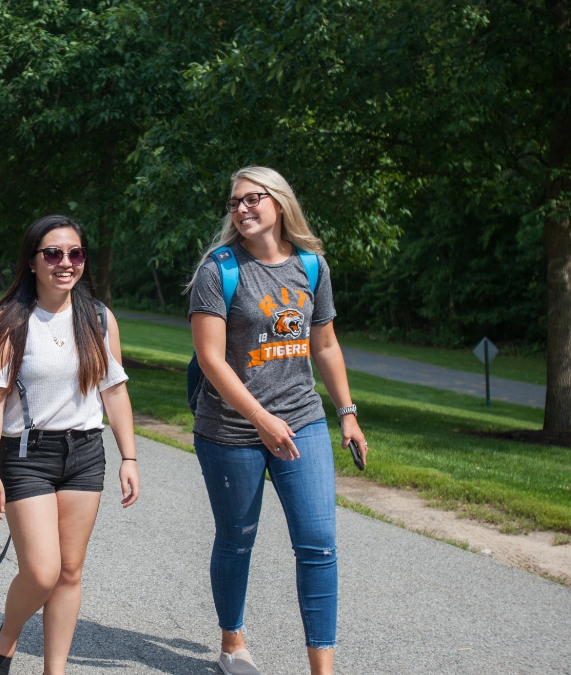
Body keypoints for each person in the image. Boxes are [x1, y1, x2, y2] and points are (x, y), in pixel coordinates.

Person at [187, 166, 367, 675]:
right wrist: (261, 418)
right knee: (237, 537)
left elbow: (325, 344)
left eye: (252, 199)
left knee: (318, 543)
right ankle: (233, 644)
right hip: (230, 430)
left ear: (280, 202)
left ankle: (322, 669)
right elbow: (211, 360)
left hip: (303, 421)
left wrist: (347, 414)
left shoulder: (311, 266)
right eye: (234, 202)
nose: (241, 209)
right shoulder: (219, 270)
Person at [0, 215, 139, 675]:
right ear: (32, 261)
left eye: (75, 253)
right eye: (53, 253)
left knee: (70, 571)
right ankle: (7, 639)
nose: (65, 263)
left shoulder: (100, 318)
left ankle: (56, 669)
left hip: (86, 453)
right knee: (43, 571)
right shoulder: (12, 320)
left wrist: (130, 456)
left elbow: (115, 390)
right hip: (27, 455)